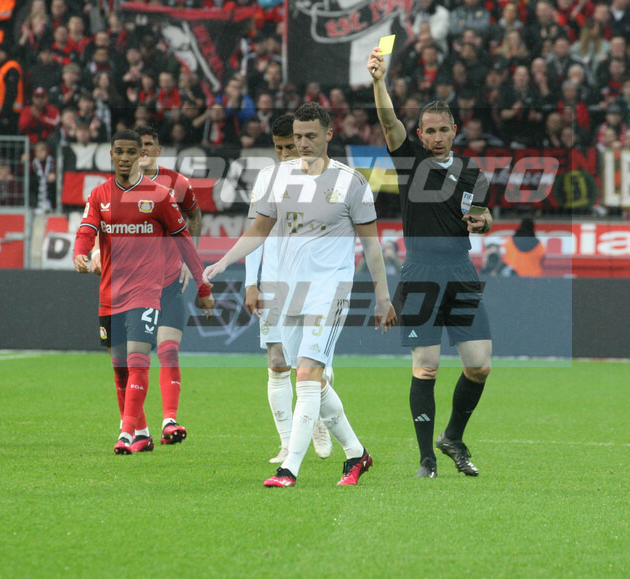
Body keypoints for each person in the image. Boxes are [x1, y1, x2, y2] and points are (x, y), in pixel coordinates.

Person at [203, 102, 397, 487]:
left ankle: (288, 467)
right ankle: (357, 454)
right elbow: (258, 231)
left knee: (307, 374)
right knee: (312, 379)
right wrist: (223, 264)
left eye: (311, 136)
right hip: (286, 292)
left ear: (328, 135)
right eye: (298, 137)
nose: (303, 143)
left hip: (330, 291)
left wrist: (383, 297)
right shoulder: (277, 179)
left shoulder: (351, 182)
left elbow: (372, 246)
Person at [368, 46, 493, 479]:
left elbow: (484, 213)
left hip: (461, 271)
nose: (437, 136)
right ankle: (426, 459)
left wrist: (483, 221)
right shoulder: (411, 161)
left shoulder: (472, 171)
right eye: (430, 130)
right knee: (427, 366)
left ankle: (452, 436)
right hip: (420, 271)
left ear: (454, 130)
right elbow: (388, 120)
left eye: (444, 129)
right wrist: (379, 81)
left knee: (479, 365)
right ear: (419, 135)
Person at [73, 129, 214, 454]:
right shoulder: (99, 195)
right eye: (118, 152)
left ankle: (132, 432)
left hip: (150, 291)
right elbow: (86, 230)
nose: (125, 158)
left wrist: (201, 284)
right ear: (111, 155)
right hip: (111, 293)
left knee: (145, 359)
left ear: (143, 155)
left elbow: (184, 237)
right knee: (120, 368)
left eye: (131, 152)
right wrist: (80, 253)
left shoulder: (163, 193)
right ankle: (142, 432)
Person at [243, 114, 334, 463]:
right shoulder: (267, 180)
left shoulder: (323, 178)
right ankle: (286, 442)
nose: (285, 153)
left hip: (314, 283)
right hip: (275, 284)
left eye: (289, 146)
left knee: (311, 366)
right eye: (279, 147)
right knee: (277, 362)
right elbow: (255, 234)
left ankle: (319, 421)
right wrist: (251, 283)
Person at [133, 125, 204, 445]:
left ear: (158, 150)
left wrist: (192, 258)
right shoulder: (120, 187)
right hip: (134, 287)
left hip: (170, 282)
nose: (144, 150)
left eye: (149, 144)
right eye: (139, 146)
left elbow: (195, 216)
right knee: (134, 360)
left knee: (169, 351)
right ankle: (138, 429)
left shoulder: (177, 183)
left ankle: (170, 421)